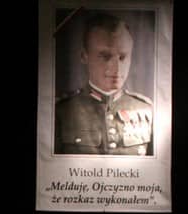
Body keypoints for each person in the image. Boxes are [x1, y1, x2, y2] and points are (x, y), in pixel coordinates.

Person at [55, 12, 153, 156]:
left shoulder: (147, 110)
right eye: (105, 56)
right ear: (84, 56)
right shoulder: (61, 111)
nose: (117, 68)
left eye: (122, 57)